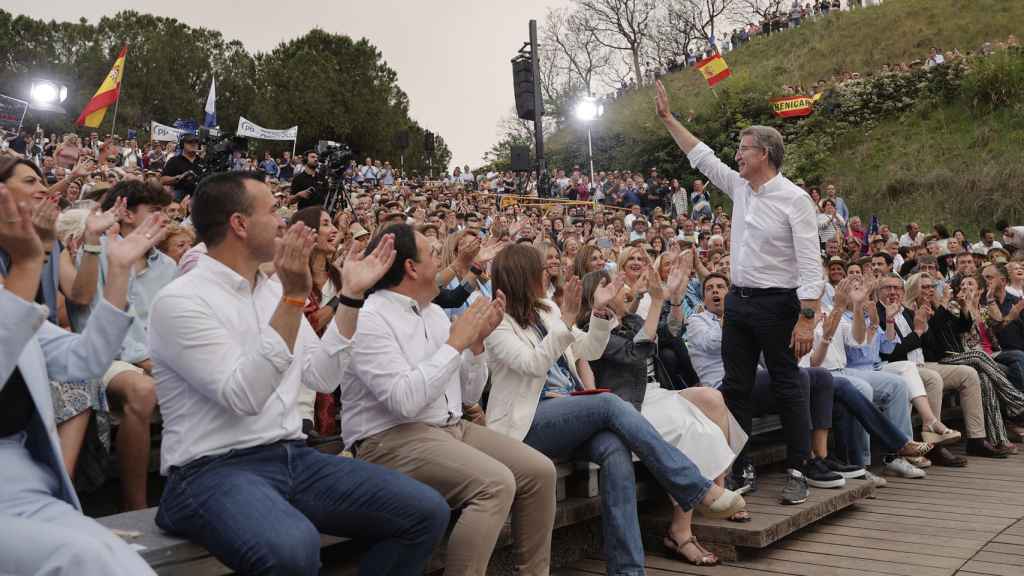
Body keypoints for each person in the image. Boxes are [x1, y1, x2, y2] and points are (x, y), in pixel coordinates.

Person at [148, 172, 449, 575]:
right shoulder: (181, 300)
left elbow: (322, 376)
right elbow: (243, 396)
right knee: (293, 547)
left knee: (425, 511)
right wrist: (293, 298)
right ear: (239, 224)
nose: (283, 222)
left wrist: (351, 297)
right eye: (273, 211)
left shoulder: (272, 290)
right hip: (210, 469)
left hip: (291, 456)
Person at [485, 243, 746, 574]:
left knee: (615, 449)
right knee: (609, 402)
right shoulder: (498, 321)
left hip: (569, 412)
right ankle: (696, 486)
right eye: (540, 271)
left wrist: (598, 313)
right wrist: (567, 319)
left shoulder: (547, 309)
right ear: (523, 275)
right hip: (528, 421)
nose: (546, 275)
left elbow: (590, 350)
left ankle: (628, 570)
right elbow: (532, 364)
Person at [342, 223, 556, 576]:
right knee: (495, 484)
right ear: (411, 268)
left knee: (539, 472)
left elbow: (468, 395)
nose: (441, 262)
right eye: (432, 254)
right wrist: (455, 344)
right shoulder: (372, 318)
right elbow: (404, 402)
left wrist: (475, 346)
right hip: (389, 439)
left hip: (450, 428)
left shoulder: (434, 314)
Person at [656, 79, 824, 504]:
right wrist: (668, 119)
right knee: (736, 386)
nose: (736, 156)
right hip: (740, 302)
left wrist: (807, 319)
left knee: (788, 384)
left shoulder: (794, 199)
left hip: (779, 304)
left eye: (743, 149)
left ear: (763, 154)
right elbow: (702, 157)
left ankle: (798, 468)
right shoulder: (740, 188)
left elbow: (811, 265)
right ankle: (741, 464)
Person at [0, 178, 166, 576]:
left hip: (24, 486)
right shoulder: (20, 280)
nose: (41, 193)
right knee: (85, 559)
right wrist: (27, 266)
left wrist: (120, 271)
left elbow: (86, 360)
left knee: (128, 565)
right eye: (27, 184)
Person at [160, 134, 200, 202]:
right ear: (182, 144)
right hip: (179, 199)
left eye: (196, 142)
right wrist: (179, 177)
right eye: (190, 142)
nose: (193, 144)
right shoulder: (174, 161)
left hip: (201, 198)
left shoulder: (204, 161)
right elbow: (162, 180)